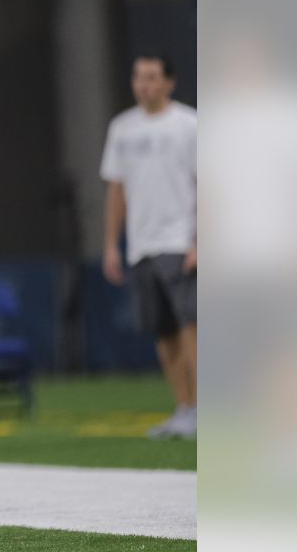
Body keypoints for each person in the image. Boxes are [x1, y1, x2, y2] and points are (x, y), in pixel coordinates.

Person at [100, 53, 197, 439]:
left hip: (179, 241)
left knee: (193, 325)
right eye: (139, 76)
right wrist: (111, 243)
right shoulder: (122, 129)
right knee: (164, 332)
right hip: (142, 245)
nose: (145, 84)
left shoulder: (190, 124)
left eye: (153, 77)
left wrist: (200, 239)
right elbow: (116, 190)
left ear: (169, 82)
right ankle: (185, 409)